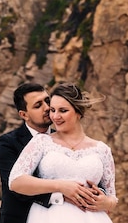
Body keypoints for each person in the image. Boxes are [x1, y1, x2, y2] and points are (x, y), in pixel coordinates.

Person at [8, 83, 118, 223]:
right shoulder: (41, 142)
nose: (55, 116)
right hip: (48, 217)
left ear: (78, 112)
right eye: (53, 110)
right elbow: (15, 181)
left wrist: (106, 203)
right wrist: (61, 186)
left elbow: (112, 197)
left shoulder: (102, 150)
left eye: (63, 110)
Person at [0, 83, 66, 223]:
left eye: (47, 100)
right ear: (24, 115)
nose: (47, 108)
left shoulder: (64, 139)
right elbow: (15, 187)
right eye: (38, 105)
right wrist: (62, 196)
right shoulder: (7, 143)